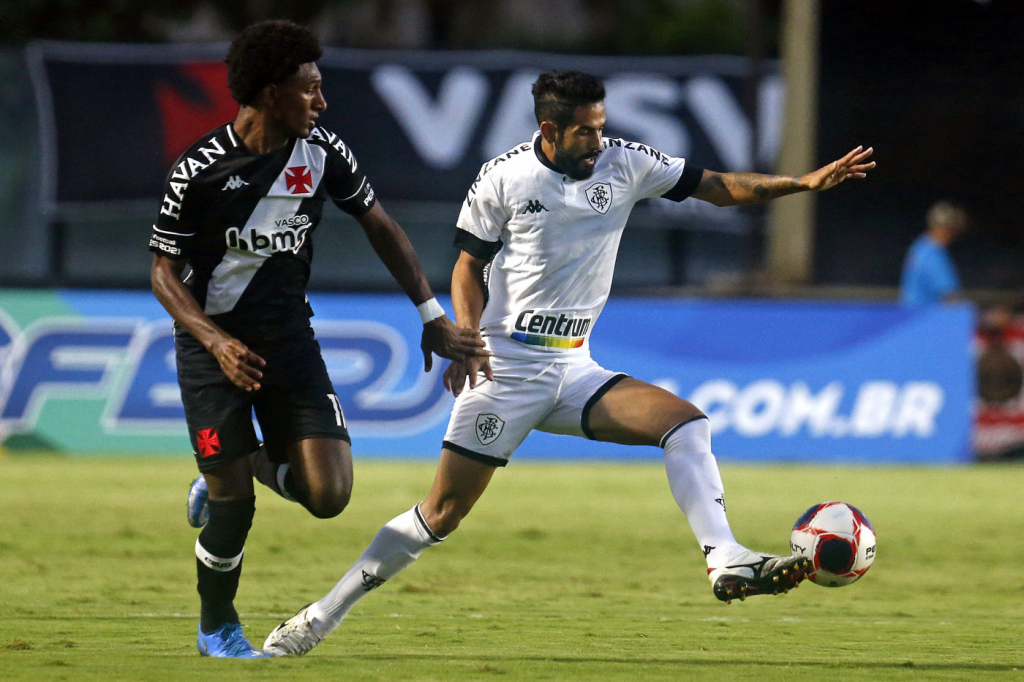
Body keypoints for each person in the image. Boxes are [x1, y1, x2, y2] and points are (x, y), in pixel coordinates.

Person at [261, 70, 876, 657]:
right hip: (506, 370)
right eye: (585, 130)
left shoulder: (626, 162)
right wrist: (468, 335)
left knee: (686, 423)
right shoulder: (504, 178)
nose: (598, 140)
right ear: (549, 130)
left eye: (601, 126)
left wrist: (801, 183)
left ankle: (725, 558)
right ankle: (320, 615)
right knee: (440, 515)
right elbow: (468, 265)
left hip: (575, 367)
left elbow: (716, 186)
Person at [148, 20, 486, 658]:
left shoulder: (322, 150)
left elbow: (380, 226)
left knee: (328, 496)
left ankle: (235, 459)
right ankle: (217, 624)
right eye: (310, 90)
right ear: (271, 93)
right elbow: (163, 273)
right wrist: (216, 342)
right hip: (211, 349)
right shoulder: (200, 171)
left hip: (289, 344)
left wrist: (429, 312)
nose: (322, 102)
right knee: (233, 506)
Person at [899, 201, 967, 305]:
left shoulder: (920, 246)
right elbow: (951, 298)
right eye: (952, 229)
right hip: (928, 316)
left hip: (913, 316)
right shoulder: (932, 253)